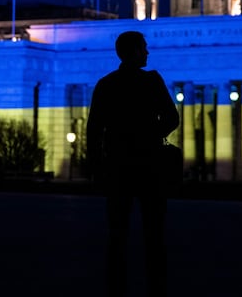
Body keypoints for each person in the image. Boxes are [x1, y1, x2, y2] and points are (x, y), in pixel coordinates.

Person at [86, 30, 180, 297]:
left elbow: (94, 130)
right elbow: (172, 118)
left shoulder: (106, 84)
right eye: (144, 48)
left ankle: (116, 285)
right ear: (135, 52)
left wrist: (96, 166)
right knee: (154, 232)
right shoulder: (151, 81)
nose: (147, 52)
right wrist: (152, 134)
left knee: (117, 232)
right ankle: (156, 285)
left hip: (118, 165)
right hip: (150, 165)